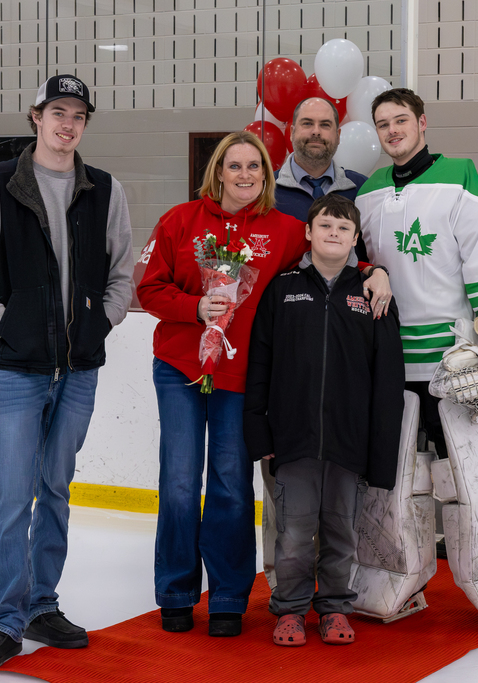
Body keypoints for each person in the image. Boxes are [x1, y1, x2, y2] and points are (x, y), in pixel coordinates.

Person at [137, 131, 391, 638]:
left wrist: (375, 269)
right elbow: (147, 287)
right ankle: (177, 591)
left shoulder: (285, 228)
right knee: (181, 483)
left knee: (231, 484)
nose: (245, 175)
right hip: (180, 368)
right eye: (235, 166)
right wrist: (193, 308)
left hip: (239, 375)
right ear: (218, 171)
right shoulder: (179, 221)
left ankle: (229, 596)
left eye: (255, 166)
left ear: (266, 174)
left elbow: (332, 245)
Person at [0, 74, 134, 670]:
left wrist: (98, 325)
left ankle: (41, 606)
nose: (68, 123)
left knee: (55, 488)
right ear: (36, 117)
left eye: (79, 114)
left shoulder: (105, 189)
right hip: (17, 372)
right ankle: (4, 618)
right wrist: (9, 325)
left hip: (79, 370)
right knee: (12, 494)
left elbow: (123, 275)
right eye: (58, 111)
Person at [243, 194, 405, 647]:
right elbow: (260, 365)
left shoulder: (373, 295)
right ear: (309, 233)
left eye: (343, 228)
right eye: (325, 226)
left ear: (356, 240)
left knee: (341, 530)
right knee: (293, 533)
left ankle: (335, 607)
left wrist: (380, 448)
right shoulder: (282, 289)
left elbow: (388, 379)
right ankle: (290, 611)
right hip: (292, 439)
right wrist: (259, 430)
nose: (333, 234)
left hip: (348, 441)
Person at [355, 87, 478, 462]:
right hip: (390, 356)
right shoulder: (368, 191)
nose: (392, 130)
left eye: (401, 121)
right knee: (397, 470)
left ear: (421, 123)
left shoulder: (458, 177)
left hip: (451, 357)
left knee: (467, 465)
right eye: (383, 124)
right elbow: (358, 263)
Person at [273, 97, 367, 224]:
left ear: (338, 136)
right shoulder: (264, 189)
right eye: (307, 123)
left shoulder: (362, 189)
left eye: (325, 125)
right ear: (291, 133)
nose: (316, 132)